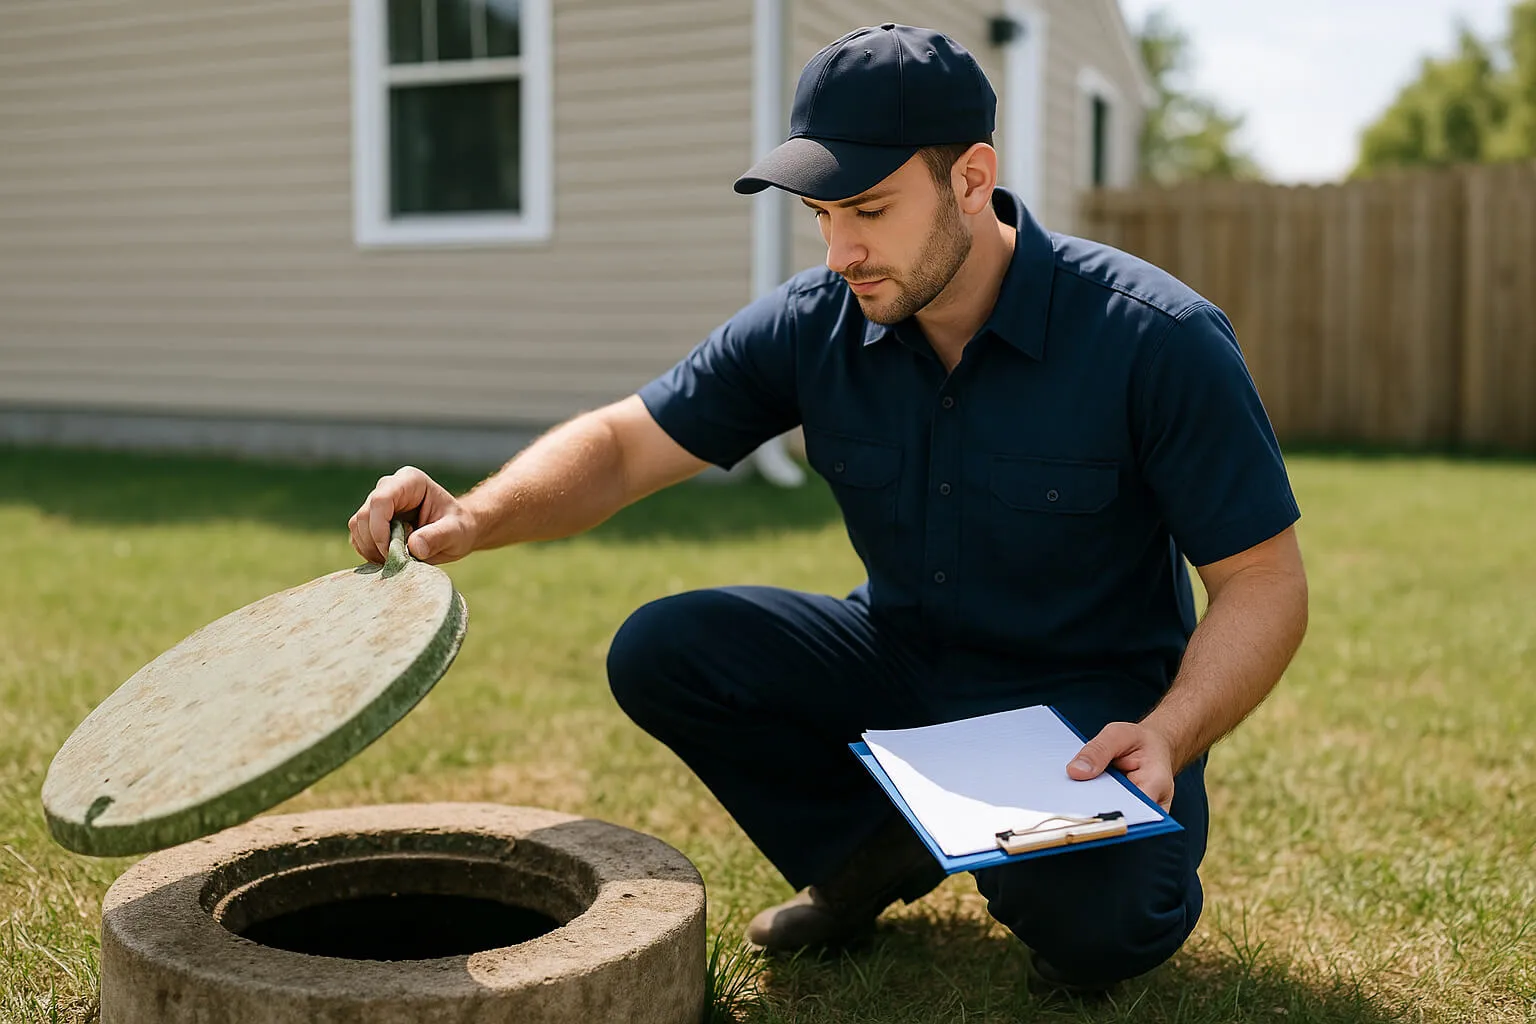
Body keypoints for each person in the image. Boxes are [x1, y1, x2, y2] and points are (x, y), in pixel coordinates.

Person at [348, 24, 1308, 993]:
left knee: (1107, 924)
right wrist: (472, 515)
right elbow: (623, 445)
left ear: (971, 178)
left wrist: (1171, 731)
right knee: (663, 649)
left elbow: (1264, 583)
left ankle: (1038, 870)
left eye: (870, 209)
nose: (841, 249)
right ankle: (873, 855)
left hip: (1084, 712)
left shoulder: (1158, 340)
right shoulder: (818, 322)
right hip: (901, 662)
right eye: (821, 214)